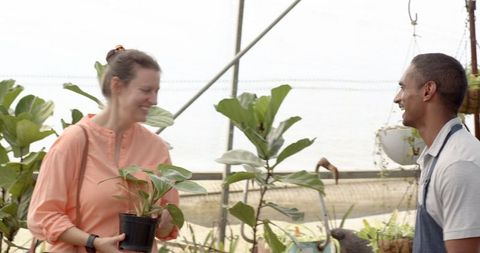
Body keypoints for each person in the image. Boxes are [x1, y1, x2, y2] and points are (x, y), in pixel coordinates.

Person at [27, 45, 179, 252]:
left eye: (156, 91)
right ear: (117, 86)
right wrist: (93, 242)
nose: (154, 100)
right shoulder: (75, 140)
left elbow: (164, 229)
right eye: (145, 90)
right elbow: (43, 215)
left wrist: (166, 219)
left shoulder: (157, 148)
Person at [394, 53, 480, 252]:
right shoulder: (439, 156)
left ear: (428, 91)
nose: (397, 98)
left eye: (403, 87)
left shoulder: (459, 164)